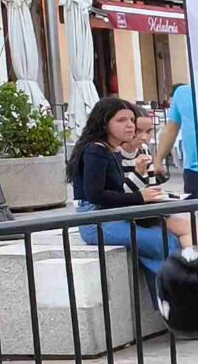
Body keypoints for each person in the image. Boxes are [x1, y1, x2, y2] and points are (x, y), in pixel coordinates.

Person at [69, 95, 191, 278]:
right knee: (163, 242)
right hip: (95, 221)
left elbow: (117, 191)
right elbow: (95, 195)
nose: (130, 125)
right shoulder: (96, 150)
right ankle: (176, 287)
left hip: (112, 215)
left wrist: (147, 192)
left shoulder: (112, 149)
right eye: (121, 120)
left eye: (132, 120)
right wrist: (140, 197)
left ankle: (167, 288)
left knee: (167, 239)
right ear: (104, 123)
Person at [159, 82, 198, 196]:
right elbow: (171, 129)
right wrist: (159, 159)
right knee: (197, 204)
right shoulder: (182, 92)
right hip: (193, 168)